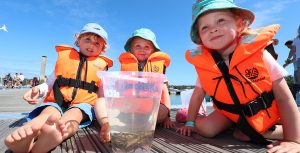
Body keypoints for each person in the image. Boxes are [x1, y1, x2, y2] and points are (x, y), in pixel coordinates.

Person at [176, 0, 300, 152]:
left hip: (263, 111)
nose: (213, 29)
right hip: (229, 113)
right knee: (207, 130)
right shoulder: (207, 66)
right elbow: (197, 95)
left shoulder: (259, 55)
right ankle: (199, 117)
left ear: (240, 25)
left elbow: (284, 98)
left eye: (220, 20)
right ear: (200, 38)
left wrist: (293, 140)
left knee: (247, 134)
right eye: (205, 27)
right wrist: (189, 123)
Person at [4, 23, 112, 152]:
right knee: (49, 111)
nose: (91, 45)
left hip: (83, 103)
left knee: (74, 116)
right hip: (58, 99)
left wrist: (105, 120)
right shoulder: (66, 60)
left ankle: (56, 133)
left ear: (102, 49)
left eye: (97, 43)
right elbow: (50, 83)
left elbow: (101, 97)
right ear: (78, 40)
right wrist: (38, 90)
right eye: (87, 39)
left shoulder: (102, 68)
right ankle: (33, 128)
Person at [118, 28, 174, 128]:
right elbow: (120, 91)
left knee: (163, 111)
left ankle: (141, 122)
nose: (142, 49)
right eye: (138, 46)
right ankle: (142, 122)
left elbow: (164, 92)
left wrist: (167, 117)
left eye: (146, 46)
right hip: (132, 107)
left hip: (151, 107)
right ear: (131, 49)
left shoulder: (157, 67)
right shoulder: (128, 65)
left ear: (153, 50)